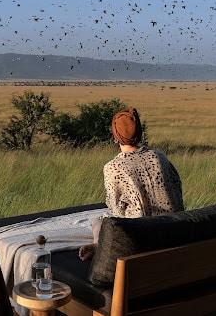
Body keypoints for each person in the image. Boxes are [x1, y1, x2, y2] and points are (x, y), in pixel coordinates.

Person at [78, 107, 184, 260]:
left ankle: (97, 244)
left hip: (139, 236)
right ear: (140, 132)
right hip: (173, 230)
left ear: (116, 136)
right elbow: (177, 189)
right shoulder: (159, 156)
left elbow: (116, 210)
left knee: (98, 221)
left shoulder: (113, 167)